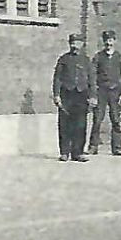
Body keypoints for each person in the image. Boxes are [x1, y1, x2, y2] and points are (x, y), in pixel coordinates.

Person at [51, 32, 94, 162]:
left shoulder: (86, 60)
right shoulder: (63, 59)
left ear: (82, 44)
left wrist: (93, 96)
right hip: (66, 95)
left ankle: (78, 152)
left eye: (77, 43)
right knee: (64, 124)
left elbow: (92, 79)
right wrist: (57, 95)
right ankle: (64, 152)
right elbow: (57, 78)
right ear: (70, 44)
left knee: (80, 125)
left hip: (81, 95)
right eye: (73, 43)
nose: (75, 46)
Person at [88, 29, 121, 156]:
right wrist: (93, 94)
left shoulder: (119, 57)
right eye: (106, 41)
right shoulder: (98, 57)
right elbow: (92, 75)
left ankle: (117, 147)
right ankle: (93, 146)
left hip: (115, 92)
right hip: (102, 92)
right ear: (103, 42)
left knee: (115, 119)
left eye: (110, 40)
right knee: (97, 119)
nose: (108, 43)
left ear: (114, 41)